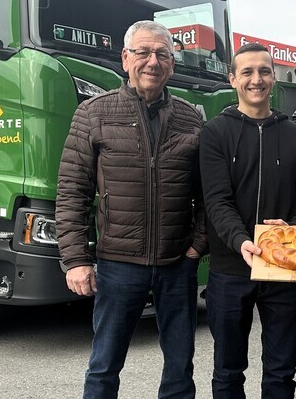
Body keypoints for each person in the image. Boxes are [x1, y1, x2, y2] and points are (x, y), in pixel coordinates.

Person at [56, 20, 206, 399]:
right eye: (142, 52)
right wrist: (75, 260)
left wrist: (197, 246)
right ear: (125, 59)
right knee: (104, 365)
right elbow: (72, 190)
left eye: (161, 54)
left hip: (177, 265)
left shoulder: (192, 118)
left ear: (171, 64)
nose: (152, 61)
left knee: (179, 366)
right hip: (118, 265)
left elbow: (209, 192)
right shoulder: (94, 114)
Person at [199, 42, 296, 398]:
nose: (256, 79)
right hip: (230, 268)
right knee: (227, 371)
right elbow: (216, 200)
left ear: (274, 78)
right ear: (233, 79)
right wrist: (242, 240)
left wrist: (294, 227)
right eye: (247, 72)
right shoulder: (215, 134)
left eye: (264, 71)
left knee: (281, 372)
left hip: (283, 270)